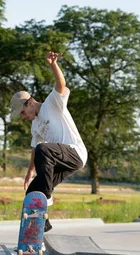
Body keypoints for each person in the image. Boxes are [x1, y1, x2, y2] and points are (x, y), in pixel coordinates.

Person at [10, 51, 87, 232]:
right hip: (59, 162)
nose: (23, 117)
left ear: (29, 103)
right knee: (32, 194)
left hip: (74, 153)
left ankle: (47, 195)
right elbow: (35, 149)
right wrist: (30, 173)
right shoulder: (35, 125)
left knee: (44, 150)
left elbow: (61, 85)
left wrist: (53, 64)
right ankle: (39, 231)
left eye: (22, 113)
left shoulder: (52, 104)